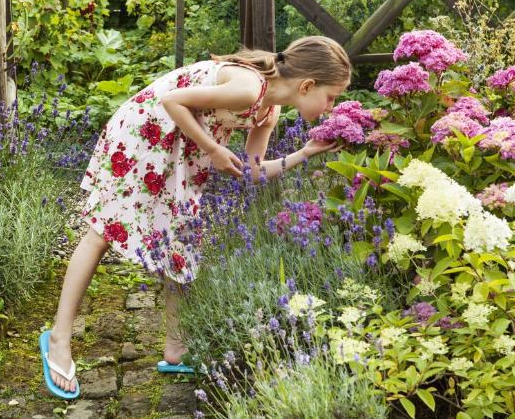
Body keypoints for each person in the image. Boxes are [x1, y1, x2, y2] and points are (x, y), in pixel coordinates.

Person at [39, 36, 352, 399]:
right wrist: (214, 148)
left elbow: (251, 172)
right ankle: (59, 338)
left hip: (185, 149)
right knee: (103, 231)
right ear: (307, 85)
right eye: (332, 97)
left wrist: (305, 152)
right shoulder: (249, 88)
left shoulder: (268, 110)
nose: (331, 107)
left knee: (182, 243)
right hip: (146, 133)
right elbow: (171, 100)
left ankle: (176, 348)